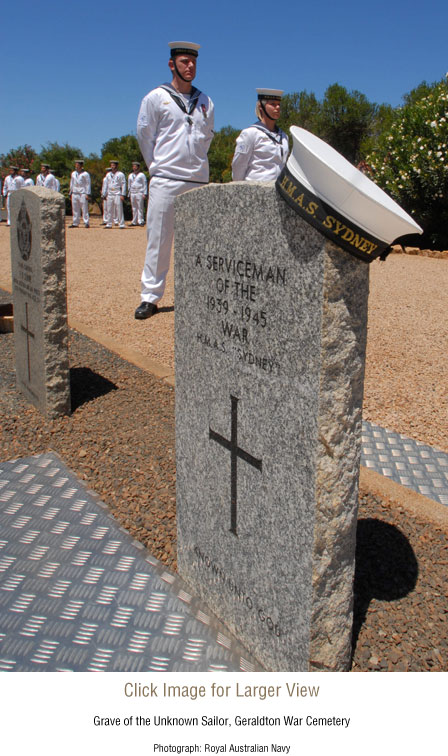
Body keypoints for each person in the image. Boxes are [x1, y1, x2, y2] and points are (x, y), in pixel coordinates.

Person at [135, 40, 214, 319]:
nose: (189, 66)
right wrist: (158, 166)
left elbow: (207, 138)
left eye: (193, 62)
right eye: (183, 61)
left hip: (197, 180)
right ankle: (151, 296)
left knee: (199, 242)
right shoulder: (156, 97)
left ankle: (197, 293)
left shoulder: (206, 101)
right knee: (159, 239)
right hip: (166, 178)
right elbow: (146, 136)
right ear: (172, 64)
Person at [232, 89, 289, 181]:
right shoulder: (250, 133)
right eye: (273, 104)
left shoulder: (284, 137)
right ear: (261, 106)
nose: (277, 107)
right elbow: (238, 166)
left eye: (279, 104)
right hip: (254, 190)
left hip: (276, 190)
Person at [102, 160, 126, 228]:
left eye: (114, 165)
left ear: (117, 166)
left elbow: (123, 184)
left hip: (117, 193)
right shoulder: (108, 174)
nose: (112, 167)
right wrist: (104, 194)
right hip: (110, 193)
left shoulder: (120, 174)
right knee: (109, 209)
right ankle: (109, 223)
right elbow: (106, 184)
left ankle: (121, 224)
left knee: (119, 209)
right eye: (111, 165)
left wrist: (123, 194)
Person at [69, 159, 91, 228]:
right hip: (75, 192)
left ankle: (86, 222)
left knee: (84, 208)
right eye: (76, 164)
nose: (76, 166)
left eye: (78, 164)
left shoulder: (85, 174)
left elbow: (88, 184)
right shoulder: (73, 173)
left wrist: (87, 193)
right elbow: (71, 183)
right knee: (75, 208)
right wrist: (70, 192)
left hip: (82, 192)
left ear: (81, 165)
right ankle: (75, 222)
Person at [127, 161, 147, 226]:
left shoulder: (141, 175)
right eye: (133, 166)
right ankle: (134, 221)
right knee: (134, 207)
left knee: (140, 207)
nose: (134, 168)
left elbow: (145, 184)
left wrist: (145, 193)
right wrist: (129, 193)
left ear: (138, 167)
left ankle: (141, 220)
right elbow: (129, 185)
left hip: (139, 192)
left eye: (135, 166)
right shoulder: (130, 175)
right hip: (133, 192)